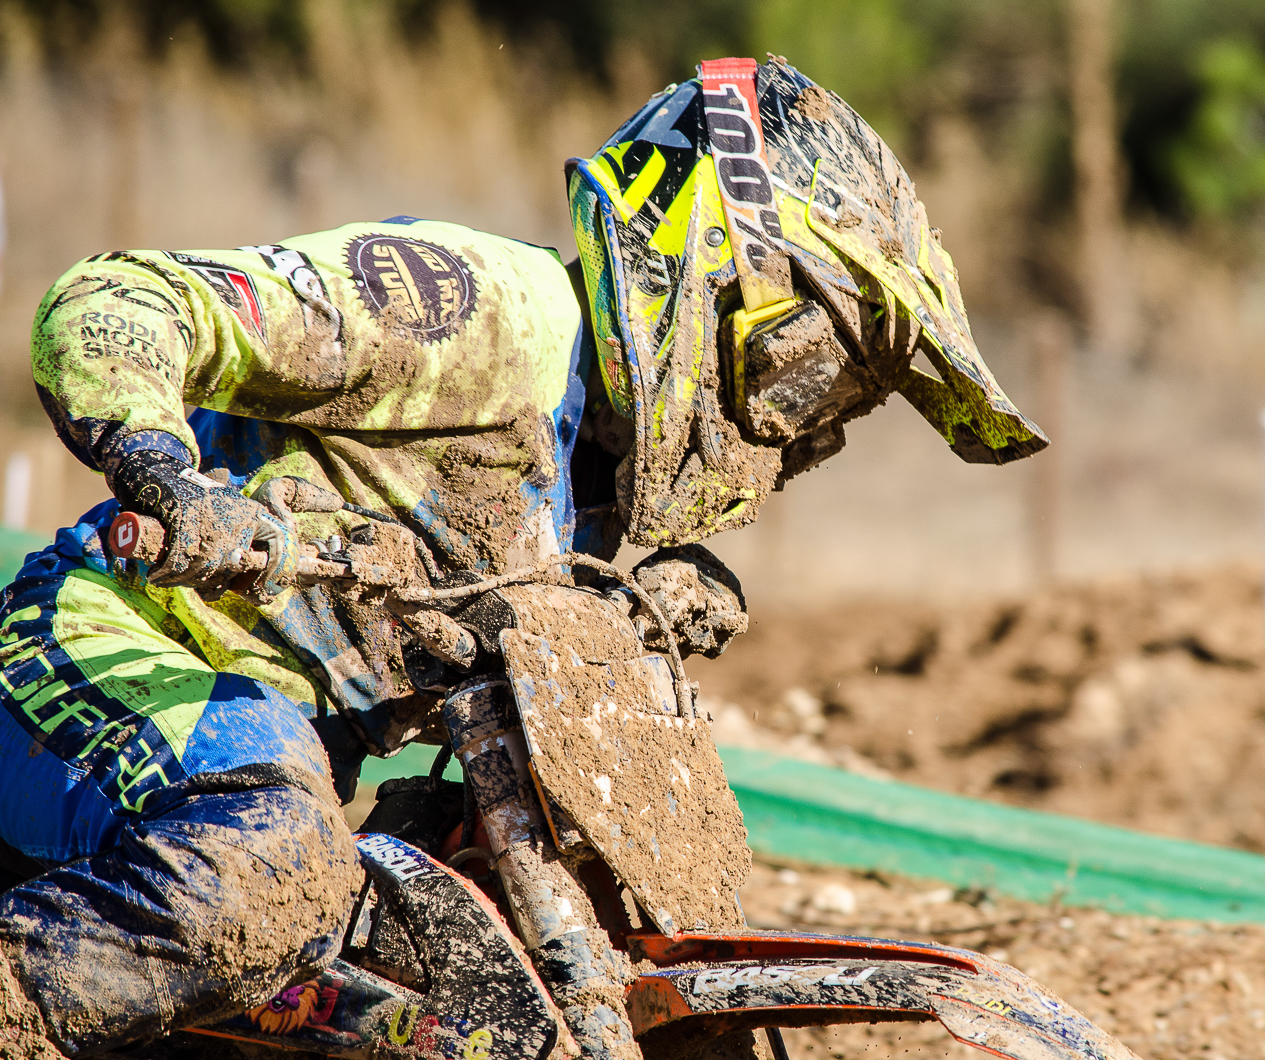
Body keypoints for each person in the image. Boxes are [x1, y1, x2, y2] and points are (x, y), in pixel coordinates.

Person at [0, 57, 1045, 1058]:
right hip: (104, 648)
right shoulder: (469, 309)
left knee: (451, 949)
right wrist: (168, 478)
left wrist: (643, 593)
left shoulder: (592, 470)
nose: (798, 432)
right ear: (717, 268)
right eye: (810, 378)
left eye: (834, 408)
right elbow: (118, 302)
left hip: (267, 748)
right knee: (265, 868)